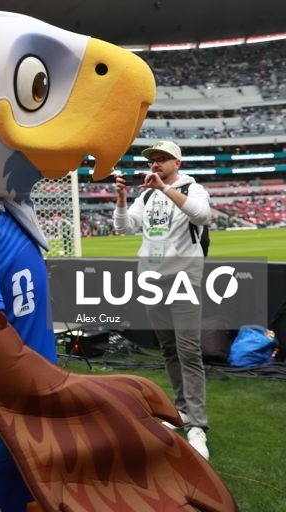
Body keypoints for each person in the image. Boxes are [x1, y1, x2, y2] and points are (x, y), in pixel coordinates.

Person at [113, 140, 212, 460]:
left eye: (162, 159)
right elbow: (125, 227)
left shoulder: (192, 188)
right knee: (169, 348)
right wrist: (122, 198)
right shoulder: (146, 194)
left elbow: (203, 215)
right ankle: (181, 412)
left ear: (177, 163)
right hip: (152, 279)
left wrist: (165, 189)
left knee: (188, 349)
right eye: (153, 160)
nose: (155, 164)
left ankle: (197, 424)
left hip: (184, 277)